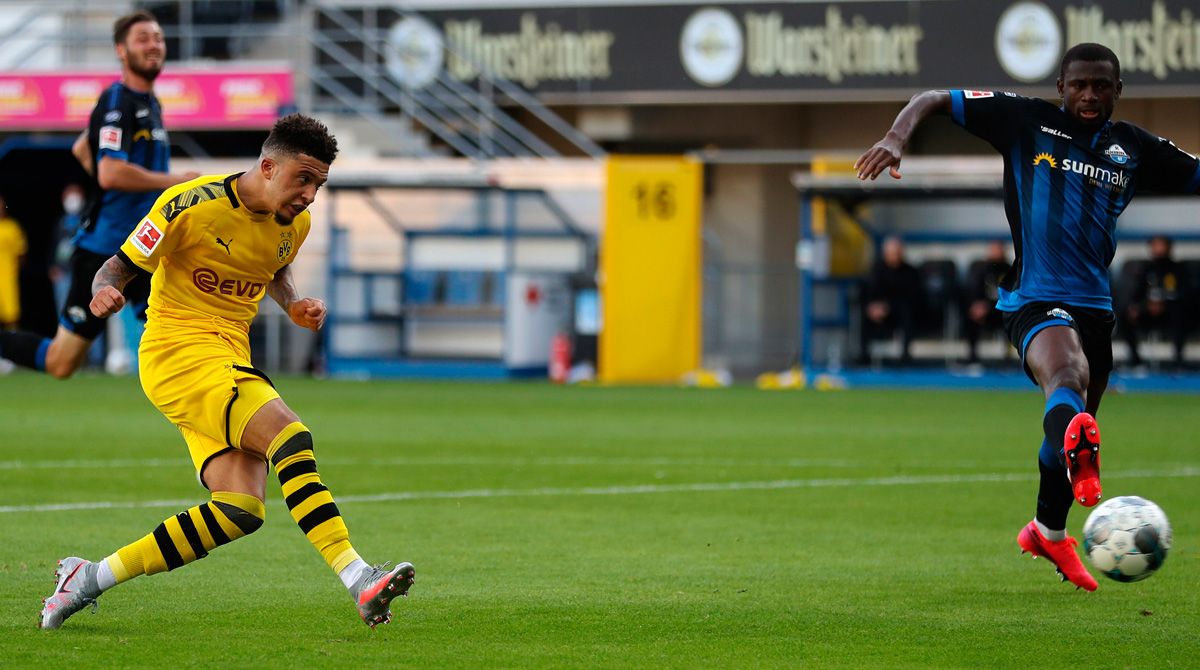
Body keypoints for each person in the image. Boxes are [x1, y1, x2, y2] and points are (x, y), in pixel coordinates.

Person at [38, 114, 415, 630]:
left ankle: (86, 578)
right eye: (301, 179)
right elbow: (118, 264)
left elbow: (274, 265)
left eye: (318, 184)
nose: (309, 194)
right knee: (290, 436)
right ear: (266, 165)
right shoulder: (190, 204)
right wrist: (105, 290)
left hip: (227, 357)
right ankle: (358, 578)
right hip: (177, 353)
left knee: (239, 509)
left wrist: (292, 302)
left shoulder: (295, 224)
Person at [855, 43, 1200, 592]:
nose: (1089, 95)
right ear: (1061, 87)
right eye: (1079, 85)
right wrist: (896, 137)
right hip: (1034, 296)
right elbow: (932, 97)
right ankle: (1076, 462)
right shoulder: (1024, 119)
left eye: (1101, 86)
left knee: (1067, 426)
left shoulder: (1132, 147)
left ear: (1118, 90)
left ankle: (1047, 529)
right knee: (1066, 376)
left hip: (1097, 308)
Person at [0, 10, 198, 378]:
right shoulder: (118, 101)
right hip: (104, 248)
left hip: (145, 244)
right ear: (121, 51)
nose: (153, 45)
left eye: (158, 37)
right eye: (143, 39)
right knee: (62, 363)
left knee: (177, 339)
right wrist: (172, 182)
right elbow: (108, 172)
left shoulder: (150, 104)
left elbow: (82, 148)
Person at [1119, 235, 1188, 368]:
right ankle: (1135, 360)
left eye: (1161, 245)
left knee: (1180, 314)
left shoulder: (1178, 269)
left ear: (1169, 248)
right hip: (1148, 311)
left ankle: (1178, 361)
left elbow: (1183, 293)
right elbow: (1137, 293)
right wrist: (1137, 307)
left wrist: (1163, 303)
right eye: (1155, 245)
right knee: (1124, 315)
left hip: (1170, 312)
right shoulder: (1146, 269)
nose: (1158, 249)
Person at [859, 235, 924, 364]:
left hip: (899, 311)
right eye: (891, 253)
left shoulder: (910, 272)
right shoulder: (876, 270)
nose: (894, 256)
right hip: (878, 312)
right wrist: (871, 307)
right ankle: (864, 356)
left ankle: (905, 356)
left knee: (907, 313)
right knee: (863, 315)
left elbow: (912, 297)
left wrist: (888, 307)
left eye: (897, 253)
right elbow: (867, 293)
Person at [962, 240, 1012, 364]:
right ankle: (972, 355)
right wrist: (976, 305)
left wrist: (988, 305)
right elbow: (975, 290)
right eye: (992, 250)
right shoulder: (982, 270)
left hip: (1002, 309)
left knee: (1011, 317)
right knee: (970, 316)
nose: (994, 253)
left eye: (997, 250)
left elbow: (1011, 294)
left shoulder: (1010, 270)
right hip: (984, 310)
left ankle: (1008, 357)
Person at [0, 194, 27, 331]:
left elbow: (21, 253)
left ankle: (12, 345)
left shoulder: (13, 227)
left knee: (11, 317)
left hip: (8, 279)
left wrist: (15, 271)